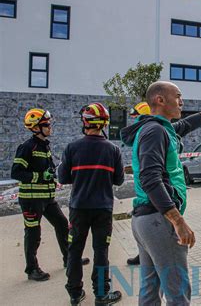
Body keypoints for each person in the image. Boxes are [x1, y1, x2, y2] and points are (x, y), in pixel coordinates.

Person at [120, 81, 201, 305]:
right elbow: (150, 178)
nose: (182, 101)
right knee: (177, 293)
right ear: (160, 100)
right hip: (158, 221)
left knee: (151, 289)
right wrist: (177, 220)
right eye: (178, 96)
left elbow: (185, 125)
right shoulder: (154, 131)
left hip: (146, 219)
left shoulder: (160, 128)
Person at [11, 108, 89, 282]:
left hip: (46, 198)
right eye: (46, 124)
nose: (49, 127)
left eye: (49, 124)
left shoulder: (44, 146)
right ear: (35, 128)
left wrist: (51, 177)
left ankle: (68, 259)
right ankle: (32, 269)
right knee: (33, 232)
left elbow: (45, 169)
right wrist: (40, 177)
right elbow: (16, 172)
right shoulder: (26, 147)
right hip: (31, 199)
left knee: (62, 225)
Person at [58, 102, 124, 306]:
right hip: (103, 208)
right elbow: (119, 180)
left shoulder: (72, 148)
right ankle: (102, 294)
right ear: (104, 123)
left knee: (75, 250)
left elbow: (63, 177)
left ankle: (75, 293)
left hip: (78, 208)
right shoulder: (113, 150)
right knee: (101, 251)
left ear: (85, 122)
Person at [126, 101, 151, 266]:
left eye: (136, 116)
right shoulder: (139, 134)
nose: (133, 120)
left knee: (146, 222)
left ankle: (147, 255)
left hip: (151, 192)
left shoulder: (149, 133)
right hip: (142, 190)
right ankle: (143, 253)